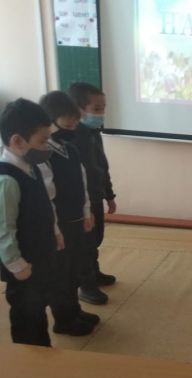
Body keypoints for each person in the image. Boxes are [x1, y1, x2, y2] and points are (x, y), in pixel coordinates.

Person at [39, 90, 100, 335]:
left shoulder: (69, 148)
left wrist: (87, 211)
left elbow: (82, 182)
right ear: (51, 121)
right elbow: (47, 195)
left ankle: (74, 310)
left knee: (75, 268)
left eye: (75, 121)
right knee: (61, 274)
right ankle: (63, 319)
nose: (73, 125)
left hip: (76, 220)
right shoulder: (44, 154)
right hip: (60, 224)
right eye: (68, 122)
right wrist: (55, 229)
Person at [0, 99, 57, 346]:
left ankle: (41, 348)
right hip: (22, 265)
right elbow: (4, 228)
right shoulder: (7, 180)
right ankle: (28, 355)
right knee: (26, 314)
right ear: (17, 141)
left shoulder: (31, 167)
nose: (47, 147)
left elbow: (44, 205)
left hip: (38, 256)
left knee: (38, 308)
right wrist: (16, 264)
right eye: (42, 141)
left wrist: (54, 231)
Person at [68, 82, 117, 305]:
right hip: (82, 202)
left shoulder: (94, 134)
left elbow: (101, 167)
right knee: (85, 243)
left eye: (103, 108)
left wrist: (109, 195)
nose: (101, 113)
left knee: (96, 238)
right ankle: (86, 285)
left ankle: (94, 273)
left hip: (96, 196)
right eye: (96, 109)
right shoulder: (72, 138)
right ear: (78, 110)